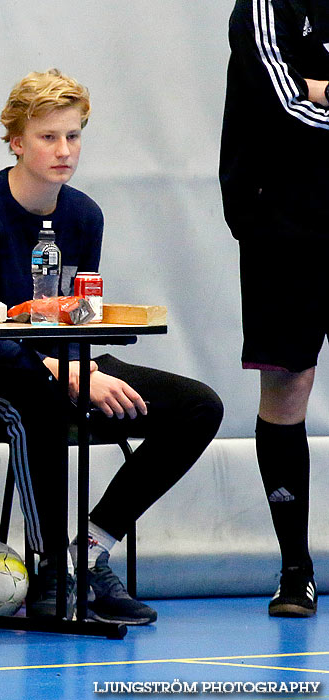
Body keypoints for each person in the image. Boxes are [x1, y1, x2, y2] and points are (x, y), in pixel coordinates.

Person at [0, 69, 223, 625]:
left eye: (73, 136)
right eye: (48, 137)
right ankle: (50, 567)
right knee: (42, 401)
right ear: (16, 141)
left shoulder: (83, 215)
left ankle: (86, 552)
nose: (63, 150)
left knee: (198, 405)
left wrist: (77, 365)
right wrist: (61, 371)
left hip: (54, 364)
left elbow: (75, 316)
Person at [220, 0, 329, 617]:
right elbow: (283, 104)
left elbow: (307, 94)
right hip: (283, 226)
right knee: (289, 385)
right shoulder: (265, 3)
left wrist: (322, 84)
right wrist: (308, 88)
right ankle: (295, 570)